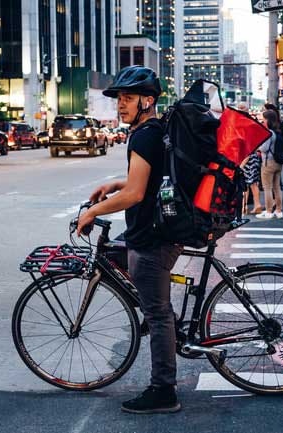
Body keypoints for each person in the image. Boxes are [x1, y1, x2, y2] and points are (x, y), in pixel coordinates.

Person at [76, 65, 183, 414]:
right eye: (119, 98)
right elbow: (147, 182)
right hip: (157, 230)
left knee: (157, 313)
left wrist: (93, 212)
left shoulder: (144, 135)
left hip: (152, 237)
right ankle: (163, 335)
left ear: (147, 101)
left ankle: (163, 391)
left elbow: (137, 193)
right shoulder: (152, 130)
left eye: (128, 98)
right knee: (150, 299)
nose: (121, 105)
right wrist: (115, 185)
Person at [256, 110, 283, 219]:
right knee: (277, 188)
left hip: (268, 163)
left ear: (267, 120)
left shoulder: (268, 133)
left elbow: (264, 148)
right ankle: (278, 210)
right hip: (278, 163)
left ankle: (268, 211)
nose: (262, 121)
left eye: (263, 119)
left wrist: (258, 146)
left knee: (267, 188)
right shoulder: (277, 131)